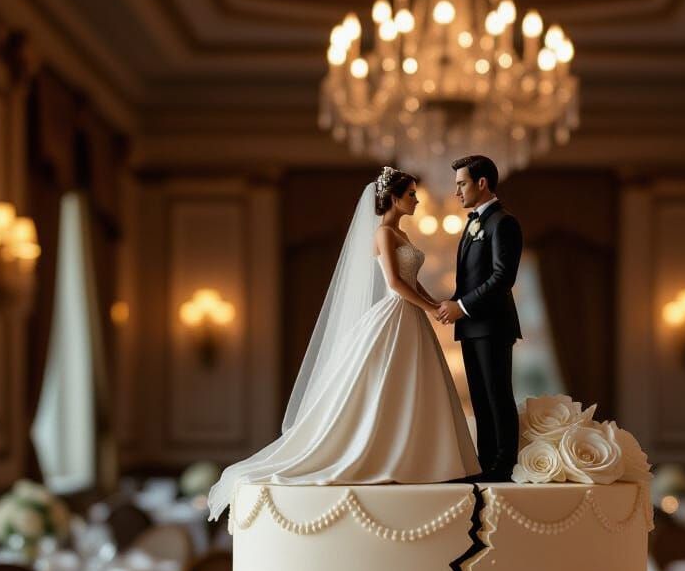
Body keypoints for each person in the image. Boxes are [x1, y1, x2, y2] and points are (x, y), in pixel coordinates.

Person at [207, 167, 480, 520]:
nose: (416, 200)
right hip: (396, 314)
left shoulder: (401, 233)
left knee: (411, 384)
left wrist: (435, 304)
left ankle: (416, 458)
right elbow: (395, 283)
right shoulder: (383, 233)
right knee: (384, 384)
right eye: (411, 194)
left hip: (411, 316)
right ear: (394, 198)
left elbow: (412, 280)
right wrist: (430, 308)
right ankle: (383, 455)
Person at [436, 154, 522, 482]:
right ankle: (485, 465)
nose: (456, 191)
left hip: (492, 325)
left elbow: (503, 277)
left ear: (482, 183)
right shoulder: (475, 222)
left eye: (462, 184)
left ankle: (503, 466)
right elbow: (471, 278)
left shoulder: (503, 222)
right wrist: (454, 306)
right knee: (480, 399)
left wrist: (462, 306)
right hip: (472, 326)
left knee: (497, 395)